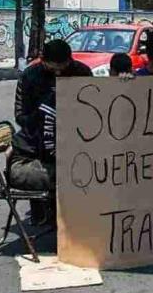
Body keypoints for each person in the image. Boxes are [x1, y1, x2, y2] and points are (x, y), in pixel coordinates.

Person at [10, 40, 92, 224]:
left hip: (71, 145)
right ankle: (50, 215)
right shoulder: (30, 76)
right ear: (42, 60)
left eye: (63, 69)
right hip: (34, 155)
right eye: (53, 69)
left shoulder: (82, 72)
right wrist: (45, 113)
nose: (58, 74)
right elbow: (21, 116)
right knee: (71, 175)